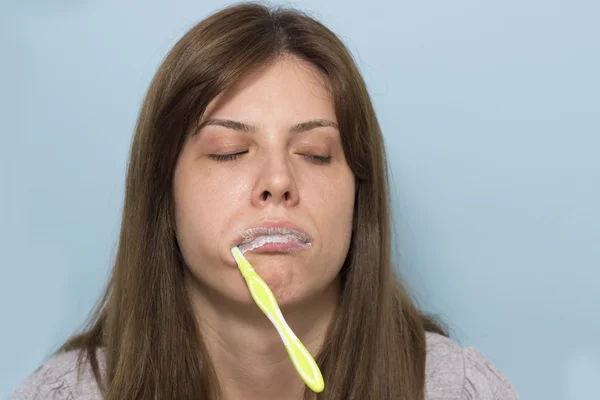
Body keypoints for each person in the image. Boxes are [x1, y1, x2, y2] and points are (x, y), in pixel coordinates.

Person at [11, 2, 519, 399]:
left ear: (360, 197)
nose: (278, 180)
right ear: (163, 196)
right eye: (230, 152)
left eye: (316, 154)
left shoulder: (459, 391)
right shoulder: (63, 394)